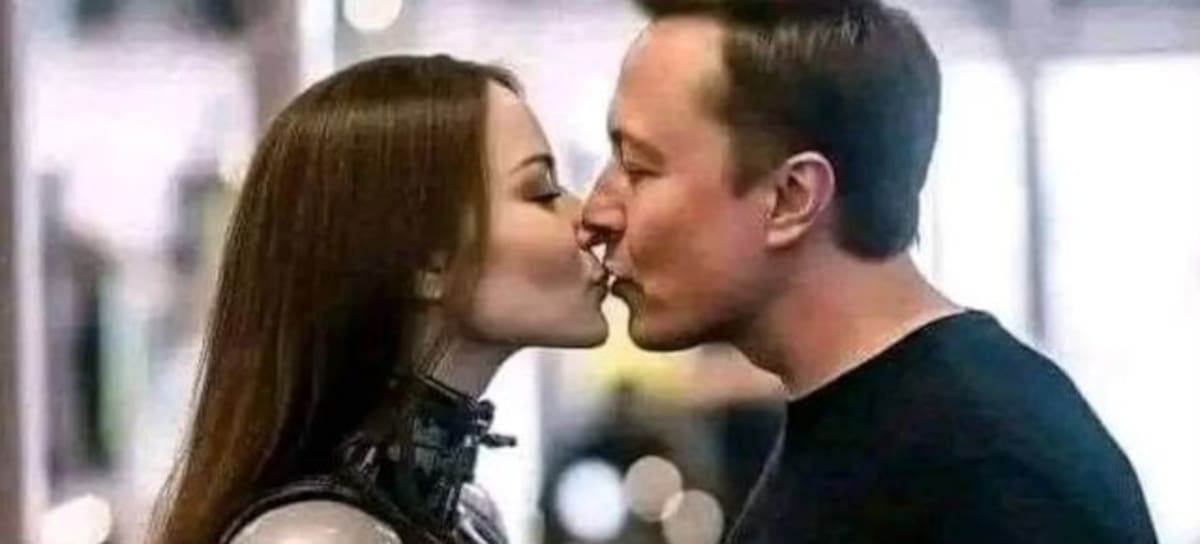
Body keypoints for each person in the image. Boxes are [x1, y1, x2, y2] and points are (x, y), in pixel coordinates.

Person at [578, 0, 1158, 541]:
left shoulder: (988, 468)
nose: (596, 212)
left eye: (637, 168)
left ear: (790, 198)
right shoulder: (882, 431)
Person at [150, 55, 609, 544]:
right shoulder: (317, 537)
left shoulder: (466, 519)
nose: (589, 217)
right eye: (541, 191)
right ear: (426, 262)